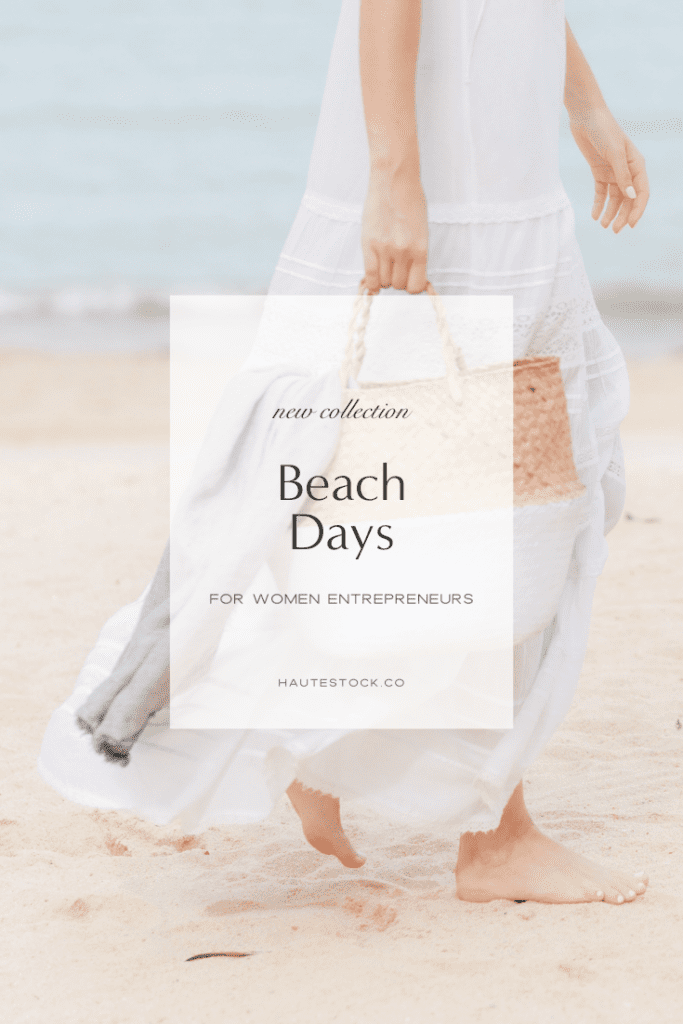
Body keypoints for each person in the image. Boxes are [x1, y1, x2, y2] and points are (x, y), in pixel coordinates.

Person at [39, 0, 650, 905]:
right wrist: (395, 177)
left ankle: (335, 760)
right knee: (460, 501)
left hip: (501, 165)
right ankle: (491, 837)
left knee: (473, 497)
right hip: (455, 172)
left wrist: (583, 104)